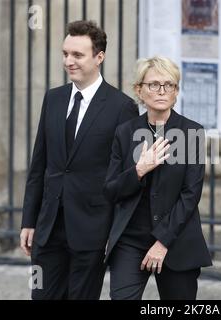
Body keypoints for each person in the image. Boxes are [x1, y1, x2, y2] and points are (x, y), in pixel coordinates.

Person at [20, 20, 139, 299]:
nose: (68, 61)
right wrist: (29, 220)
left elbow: (127, 175)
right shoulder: (54, 99)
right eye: (65, 54)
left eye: (77, 55)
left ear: (99, 57)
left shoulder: (122, 107)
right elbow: (40, 165)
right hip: (49, 229)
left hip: (92, 229)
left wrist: (114, 231)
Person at [103, 56, 212, 300]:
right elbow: (111, 190)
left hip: (176, 241)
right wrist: (139, 169)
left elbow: (190, 194)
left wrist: (162, 242)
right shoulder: (125, 132)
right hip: (131, 240)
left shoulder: (192, 132)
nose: (162, 91)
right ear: (139, 90)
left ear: (176, 91)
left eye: (169, 85)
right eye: (153, 84)